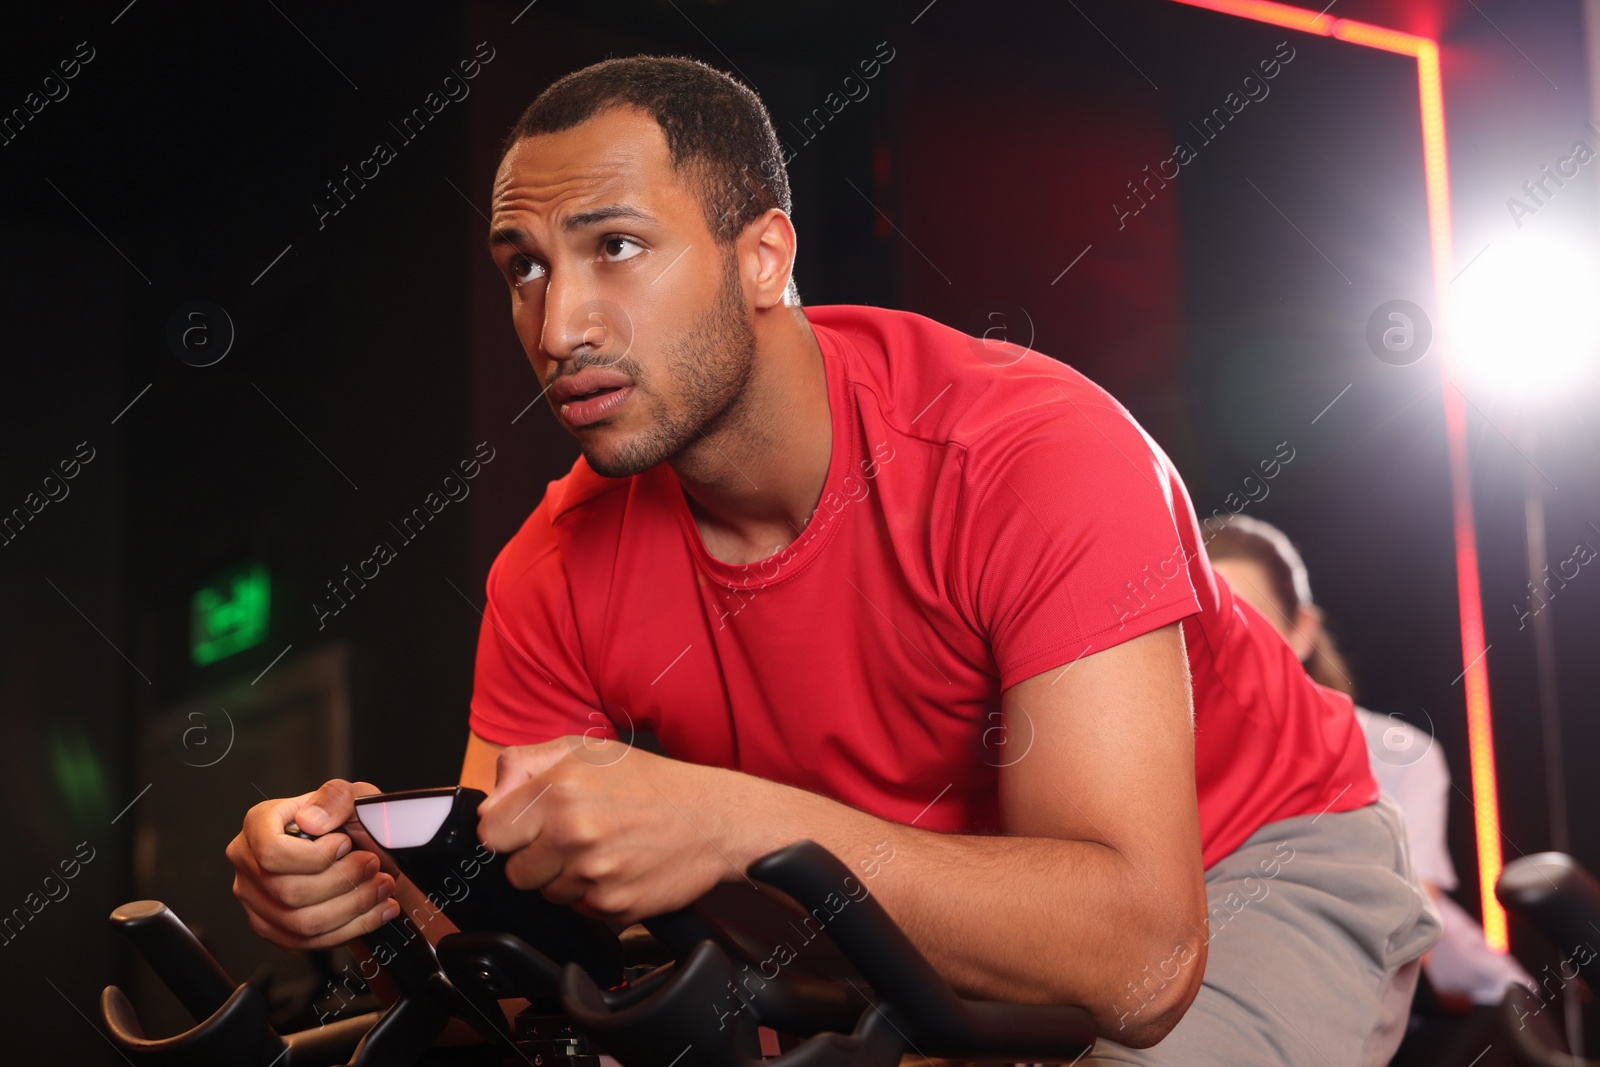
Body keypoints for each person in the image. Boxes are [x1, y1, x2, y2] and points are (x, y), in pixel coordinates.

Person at [225, 56, 1438, 1064]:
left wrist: (731, 821)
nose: (558, 325)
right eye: (524, 267)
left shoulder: (1028, 450)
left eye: (616, 247)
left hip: (1239, 866)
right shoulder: (553, 562)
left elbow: (1136, 956)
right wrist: (370, 885)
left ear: (763, 256)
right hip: (884, 915)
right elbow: (503, 907)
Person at [1205, 514, 1533, 1009]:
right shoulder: (1155, 763)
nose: (1227, 654)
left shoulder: (1390, 754)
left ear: (1303, 630)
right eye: (1202, 631)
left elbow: (1402, 941)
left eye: (1248, 627)